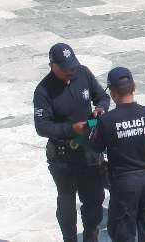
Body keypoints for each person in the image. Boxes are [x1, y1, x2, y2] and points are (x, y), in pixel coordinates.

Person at [33, 43, 109, 242]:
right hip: (63, 156)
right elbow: (42, 127)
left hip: (89, 151)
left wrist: (100, 108)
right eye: (66, 69)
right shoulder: (43, 91)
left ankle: (91, 237)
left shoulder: (82, 73)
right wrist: (70, 129)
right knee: (67, 201)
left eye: (72, 67)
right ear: (53, 66)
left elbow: (102, 96)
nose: (71, 72)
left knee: (94, 199)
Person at [86, 66, 145, 241]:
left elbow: (95, 147)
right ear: (134, 87)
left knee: (122, 234)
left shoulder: (107, 121)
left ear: (112, 93)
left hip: (124, 183)